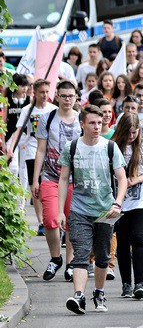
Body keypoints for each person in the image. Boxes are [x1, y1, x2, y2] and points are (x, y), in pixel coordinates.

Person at [59, 105, 127, 314]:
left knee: (103, 255)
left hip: (105, 211)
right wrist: (61, 211)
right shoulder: (72, 147)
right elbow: (63, 179)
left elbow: (122, 178)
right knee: (80, 253)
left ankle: (99, 292)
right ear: (82, 124)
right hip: (79, 209)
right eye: (92, 123)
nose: (97, 126)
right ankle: (79, 296)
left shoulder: (110, 147)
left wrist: (117, 203)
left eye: (99, 123)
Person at [33, 80, 81, 282]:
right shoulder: (48, 118)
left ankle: (70, 263)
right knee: (51, 220)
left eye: (70, 96)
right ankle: (55, 258)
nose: (67, 99)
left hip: (75, 180)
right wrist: (35, 179)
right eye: (63, 96)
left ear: (76, 97)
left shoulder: (82, 119)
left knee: (71, 221)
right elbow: (41, 150)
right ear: (57, 97)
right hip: (51, 176)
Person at [111, 112, 143, 299]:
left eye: (135, 133)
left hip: (141, 200)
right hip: (119, 200)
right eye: (128, 132)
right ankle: (126, 283)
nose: (131, 136)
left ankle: (140, 283)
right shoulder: (112, 146)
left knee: (138, 238)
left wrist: (138, 179)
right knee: (123, 241)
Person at [7, 79, 53, 235]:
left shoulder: (53, 109)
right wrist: (11, 149)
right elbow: (18, 130)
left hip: (50, 151)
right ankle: (41, 222)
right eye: (41, 92)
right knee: (38, 185)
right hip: (32, 149)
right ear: (35, 93)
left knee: (49, 185)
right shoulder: (28, 110)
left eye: (47, 92)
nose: (45, 95)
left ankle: (50, 217)